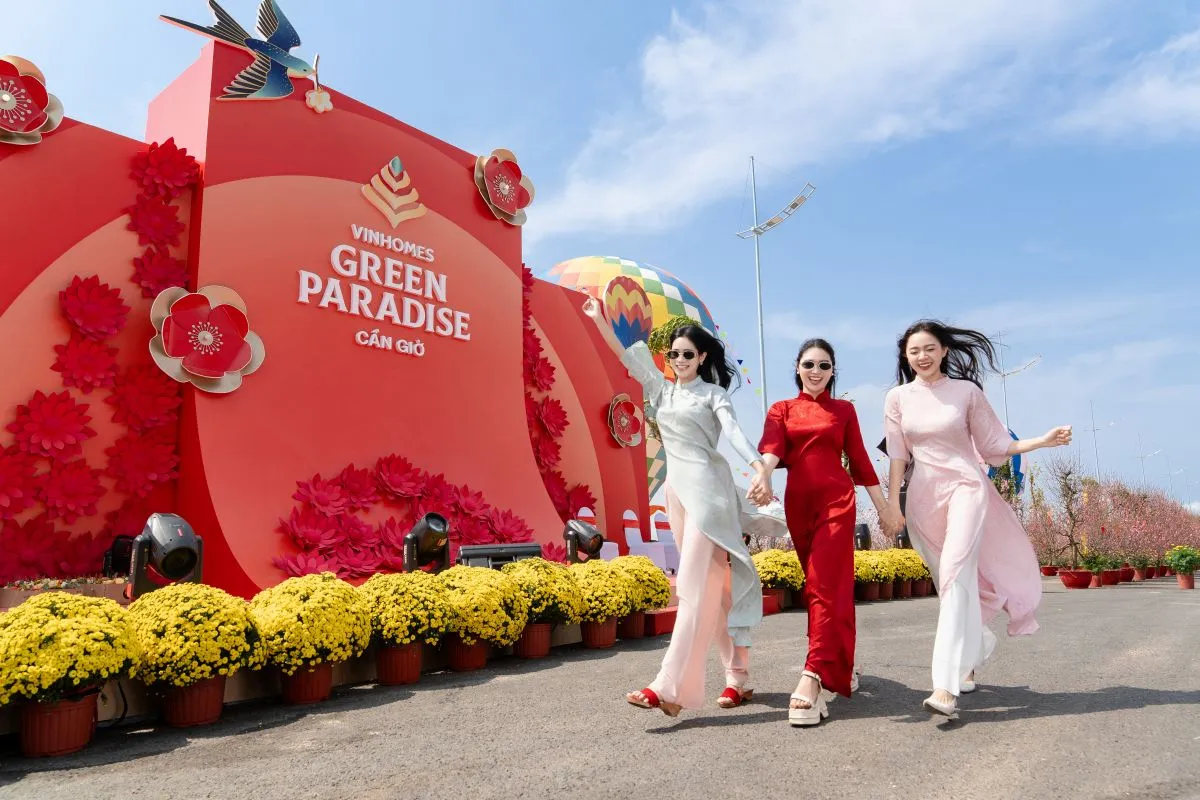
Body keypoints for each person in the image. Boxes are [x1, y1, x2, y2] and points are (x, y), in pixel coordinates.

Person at [582, 297, 766, 716]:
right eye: (674, 355)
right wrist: (599, 319)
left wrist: (759, 467)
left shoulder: (713, 395)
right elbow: (625, 357)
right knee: (713, 589)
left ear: (702, 358)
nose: (680, 360)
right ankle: (737, 677)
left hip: (709, 495)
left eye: (687, 354)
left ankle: (665, 686)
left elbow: (734, 433)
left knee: (690, 587)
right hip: (676, 495)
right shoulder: (660, 390)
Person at [883, 320, 1071, 719]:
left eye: (930, 348)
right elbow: (898, 455)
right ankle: (973, 648)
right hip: (923, 499)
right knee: (952, 583)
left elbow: (995, 444)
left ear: (944, 351)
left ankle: (944, 686)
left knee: (955, 574)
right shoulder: (897, 398)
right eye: (914, 351)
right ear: (906, 356)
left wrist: (1042, 440)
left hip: (966, 488)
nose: (922, 356)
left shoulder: (967, 393)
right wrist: (892, 505)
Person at [749, 338, 902, 727]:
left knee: (822, 586)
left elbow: (860, 459)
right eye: (809, 364)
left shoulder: (843, 410)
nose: (816, 371)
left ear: (833, 371)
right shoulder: (782, 409)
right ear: (797, 368)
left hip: (837, 501)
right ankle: (841, 663)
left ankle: (813, 676)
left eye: (824, 365)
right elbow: (772, 449)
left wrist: (884, 507)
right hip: (799, 505)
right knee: (827, 588)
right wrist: (763, 475)